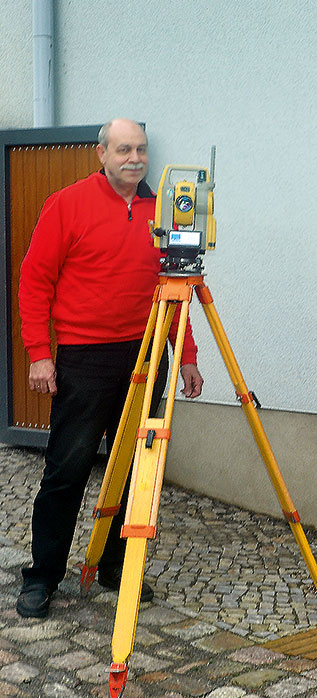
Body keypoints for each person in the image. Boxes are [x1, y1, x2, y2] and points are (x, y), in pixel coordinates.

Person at [16, 118, 204, 618]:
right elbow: (35, 281)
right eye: (124, 149)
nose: (134, 158)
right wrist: (39, 352)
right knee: (68, 469)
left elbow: (174, 283)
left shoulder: (164, 208)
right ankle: (43, 575)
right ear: (101, 152)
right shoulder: (67, 204)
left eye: (141, 149)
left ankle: (116, 568)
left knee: (137, 472)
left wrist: (183, 355)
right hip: (84, 357)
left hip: (144, 354)